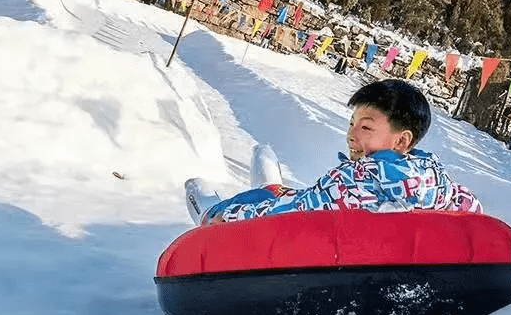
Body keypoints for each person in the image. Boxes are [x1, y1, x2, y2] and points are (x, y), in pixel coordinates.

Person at [199, 79, 483, 224]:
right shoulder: (434, 180)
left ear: (400, 141)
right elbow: (471, 207)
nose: (351, 135)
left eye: (366, 128)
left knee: (265, 197)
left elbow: (294, 211)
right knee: (281, 191)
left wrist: (233, 216)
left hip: (302, 236)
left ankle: (208, 209)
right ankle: (271, 183)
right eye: (352, 124)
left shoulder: (356, 180)